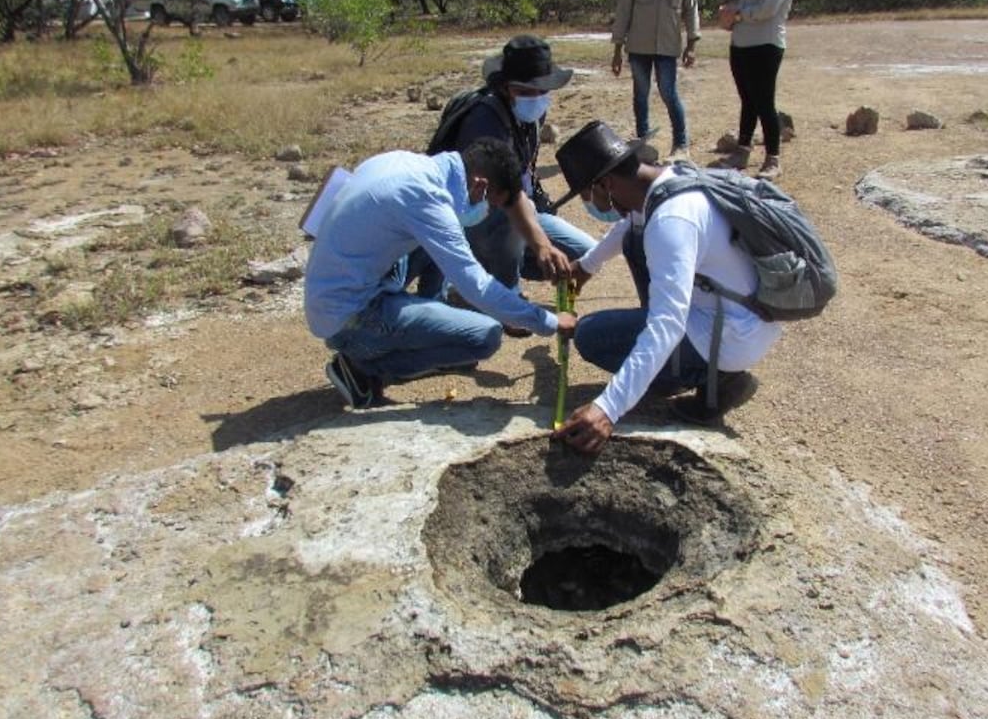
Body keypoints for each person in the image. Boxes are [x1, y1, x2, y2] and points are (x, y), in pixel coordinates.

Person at [550, 121, 782, 453]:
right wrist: (586, 266)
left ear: (606, 183)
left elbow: (666, 324)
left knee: (591, 336)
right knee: (634, 241)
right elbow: (628, 226)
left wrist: (608, 408)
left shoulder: (671, 222)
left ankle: (714, 379)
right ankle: (674, 368)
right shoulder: (665, 181)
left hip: (731, 336)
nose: (590, 203)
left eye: (588, 194)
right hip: (739, 314)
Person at [304, 137, 576, 408]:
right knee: (483, 337)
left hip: (332, 288)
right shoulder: (427, 199)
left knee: (444, 239)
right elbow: (475, 285)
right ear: (480, 184)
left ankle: (431, 318)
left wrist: (541, 244)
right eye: (490, 202)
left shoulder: (407, 162)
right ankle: (362, 368)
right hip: (348, 315)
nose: (487, 209)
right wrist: (548, 321)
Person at [414, 35, 595, 317]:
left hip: (517, 213)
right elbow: (506, 197)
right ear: (506, 87)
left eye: (542, 90)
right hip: (471, 218)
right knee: (513, 216)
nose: (536, 98)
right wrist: (543, 246)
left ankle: (489, 280)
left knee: (584, 253)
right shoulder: (484, 120)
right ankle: (498, 293)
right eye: (527, 91)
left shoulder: (531, 117)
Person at [610, 0, 701, 159]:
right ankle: (643, 142)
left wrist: (692, 44)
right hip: (638, 46)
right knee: (640, 93)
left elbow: (691, 8)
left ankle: (681, 144)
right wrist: (617, 50)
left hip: (668, 47)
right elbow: (623, 11)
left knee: (669, 93)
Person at [717, 0, 796, 181]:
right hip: (742, 44)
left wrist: (736, 13)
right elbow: (750, 5)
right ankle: (742, 150)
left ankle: (773, 158)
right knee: (748, 100)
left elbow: (767, 9)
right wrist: (731, 17)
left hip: (765, 45)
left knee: (764, 101)